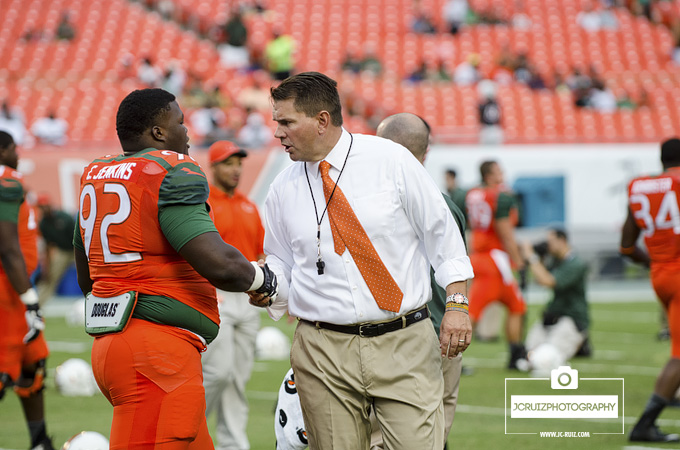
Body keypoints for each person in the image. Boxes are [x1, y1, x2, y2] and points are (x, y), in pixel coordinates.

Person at [256, 72, 473, 450]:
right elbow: (281, 262)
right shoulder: (282, 187)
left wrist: (456, 304)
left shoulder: (391, 160)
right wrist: (268, 286)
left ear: (322, 120)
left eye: (286, 121)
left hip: (403, 339)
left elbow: (444, 236)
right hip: (322, 347)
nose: (278, 133)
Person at [73, 88, 277, 450]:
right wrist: (264, 281)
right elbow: (219, 262)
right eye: (180, 123)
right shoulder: (170, 171)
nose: (187, 132)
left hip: (115, 342)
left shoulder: (99, 173)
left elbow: (85, 267)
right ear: (158, 133)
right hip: (156, 354)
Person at [374, 112, 467, 450]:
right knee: (436, 429)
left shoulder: (374, 202)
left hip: (396, 332)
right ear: (425, 152)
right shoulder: (446, 205)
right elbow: (457, 268)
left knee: (384, 435)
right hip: (445, 328)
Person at [201, 140, 265, 450]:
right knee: (219, 371)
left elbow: (261, 254)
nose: (236, 169)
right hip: (216, 296)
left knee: (237, 379)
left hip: (248, 299)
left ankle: (233, 445)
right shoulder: (203, 204)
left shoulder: (249, 205)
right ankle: (184, 432)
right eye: (228, 163)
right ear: (212, 167)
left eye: (238, 163)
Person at [620, 137, 680, 443]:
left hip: (660, 274)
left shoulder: (640, 187)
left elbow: (627, 246)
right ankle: (645, 423)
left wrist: (655, 262)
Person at [0, 131, 54, 450]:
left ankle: (39, 440)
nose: (17, 154)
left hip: (13, 289)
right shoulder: (7, 181)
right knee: (4, 372)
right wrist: (30, 299)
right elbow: (7, 247)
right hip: (8, 294)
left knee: (33, 365)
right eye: (12, 149)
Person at [465, 160, 527, 369]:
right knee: (471, 312)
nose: (503, 173)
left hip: (479, 255)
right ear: (490, 175)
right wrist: (518, 262)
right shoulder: (500, 196)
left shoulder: (473, 193)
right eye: (499, 170)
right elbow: (505, 232)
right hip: (494, 260)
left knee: (516, 305)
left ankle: (516, 354)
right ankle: (448, 358)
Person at [519, 228, 589, 363]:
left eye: (550, 241)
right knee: (528, 355)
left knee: (548, 358)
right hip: (553, 316)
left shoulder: (576, 263)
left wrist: (532, 257)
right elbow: (540, 279)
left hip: (572, 318)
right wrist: (540, 258)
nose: (548, 245)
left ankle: (581, 344)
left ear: (562, 241)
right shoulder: (556, 261)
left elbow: (549, 281)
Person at [36, 194, 76, 305]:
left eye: (45, 206)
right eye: (41, 207)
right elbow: (48, 247)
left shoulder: (64, 217)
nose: (44, 209)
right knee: (50, 278)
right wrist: (46, 268)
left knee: (92, 272)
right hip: (63, 251)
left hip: (78, 250)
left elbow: (79, 236)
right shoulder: (43, 224)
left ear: (50, 205)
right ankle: (37, 306)